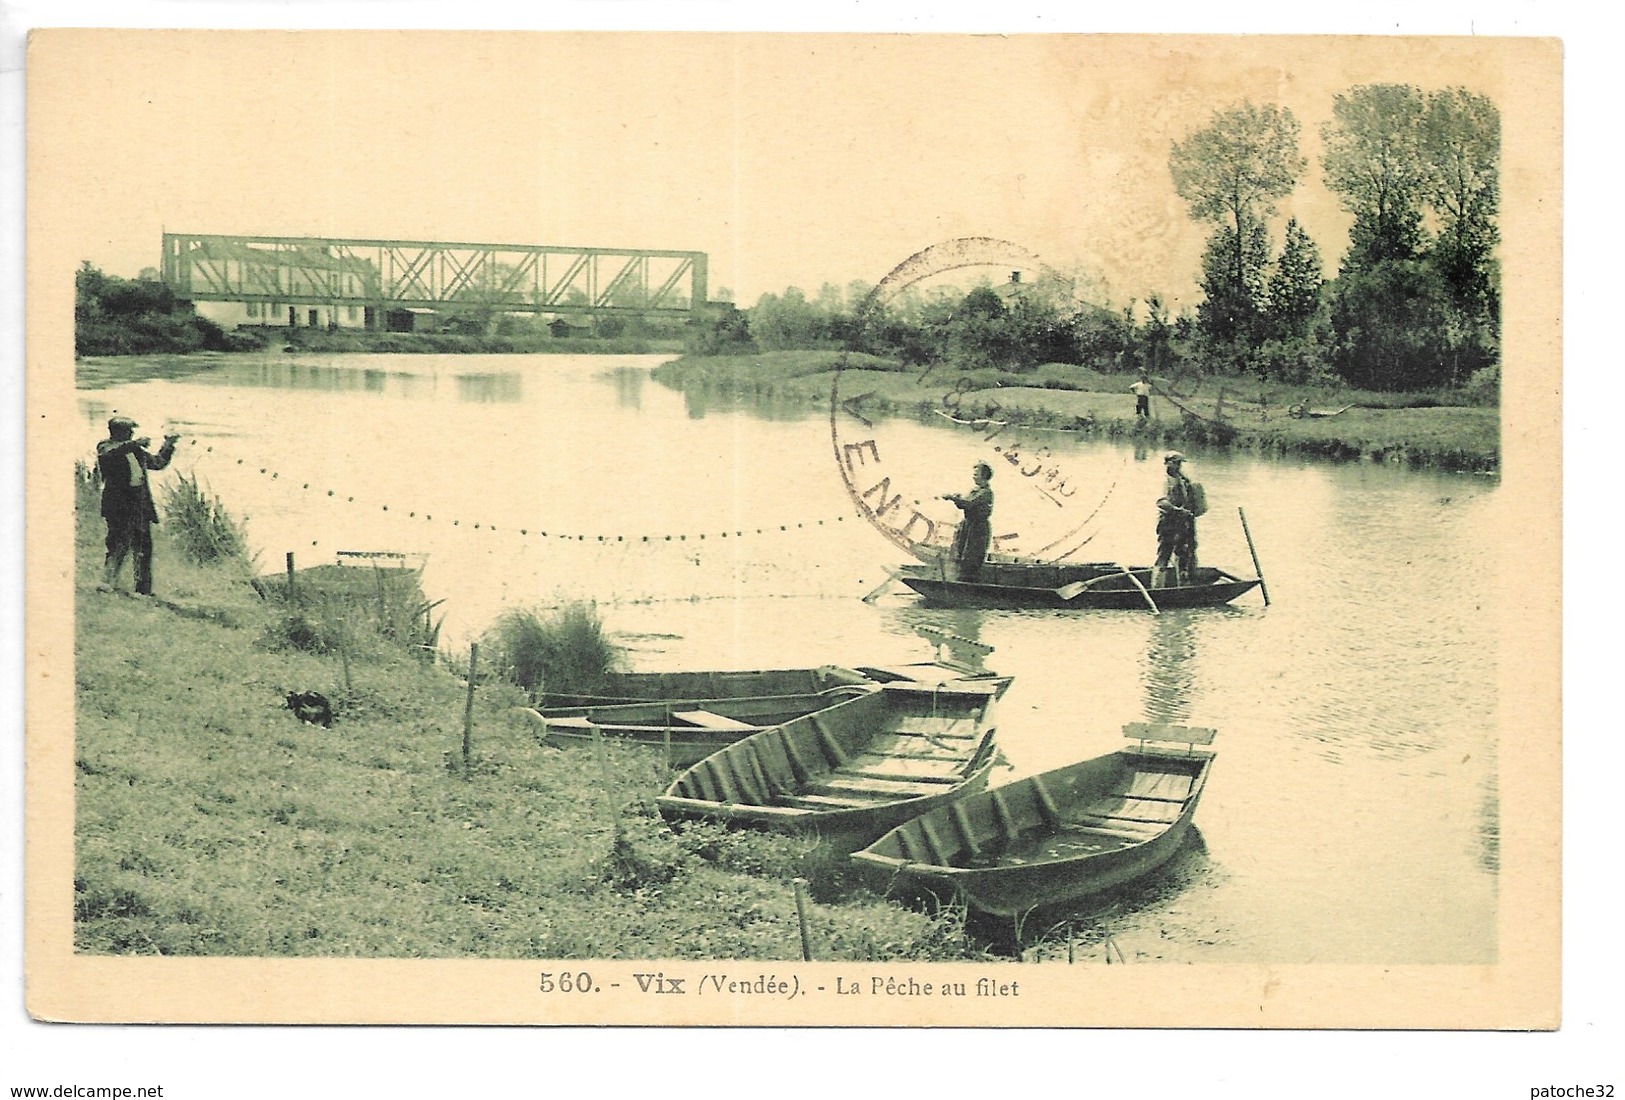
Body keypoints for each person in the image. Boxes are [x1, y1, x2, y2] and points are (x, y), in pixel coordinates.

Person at [96, 415, 179, 595]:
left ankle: (143, 591)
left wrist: (169, 445)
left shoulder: (137, 452)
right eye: (129, 431)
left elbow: (158, 463)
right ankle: (106, 583)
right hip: (118, 507)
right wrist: (135, 443)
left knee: (143, 548)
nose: (133, 433)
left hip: (139, 507)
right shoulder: (106, 447)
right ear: (118, 432)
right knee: (118, 544)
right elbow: (110, 454)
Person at [941, 461, 994, 582]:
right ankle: (962, 579)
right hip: (969, 526)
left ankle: (968, 582)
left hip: (977, 528)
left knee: (972, 555)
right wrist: (957, 497)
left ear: (984, 476)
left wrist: (952, 498)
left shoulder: (986, 493)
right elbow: (964, 503)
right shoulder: (976, 490)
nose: (973, 476)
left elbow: (968, 504)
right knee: (961, 552)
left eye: (976, 474)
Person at [1154, 451, 1198, 587]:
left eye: (1180, 463)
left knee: (1184, 554)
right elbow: (1162, 502)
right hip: (1168, 522)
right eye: (1176, 463)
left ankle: (1183, 588)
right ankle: (1157, 589)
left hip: (1183, 522)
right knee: (1164, 555)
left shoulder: (1183, 479)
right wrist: (1178, 510)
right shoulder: (1164, 480)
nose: (1178, 466)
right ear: (1167, 463)